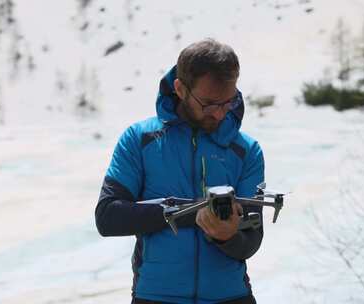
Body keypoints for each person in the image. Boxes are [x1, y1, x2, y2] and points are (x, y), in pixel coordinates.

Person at [95, 39, 265, 304]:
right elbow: (108, 217)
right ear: (180, 89)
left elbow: (251, 240)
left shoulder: (247, 150)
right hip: (156, 297)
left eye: (228, 103)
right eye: (209, 104)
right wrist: (193, 213)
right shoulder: (139, 140)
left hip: (232, 297)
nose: (220, 115)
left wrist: (228, 237)